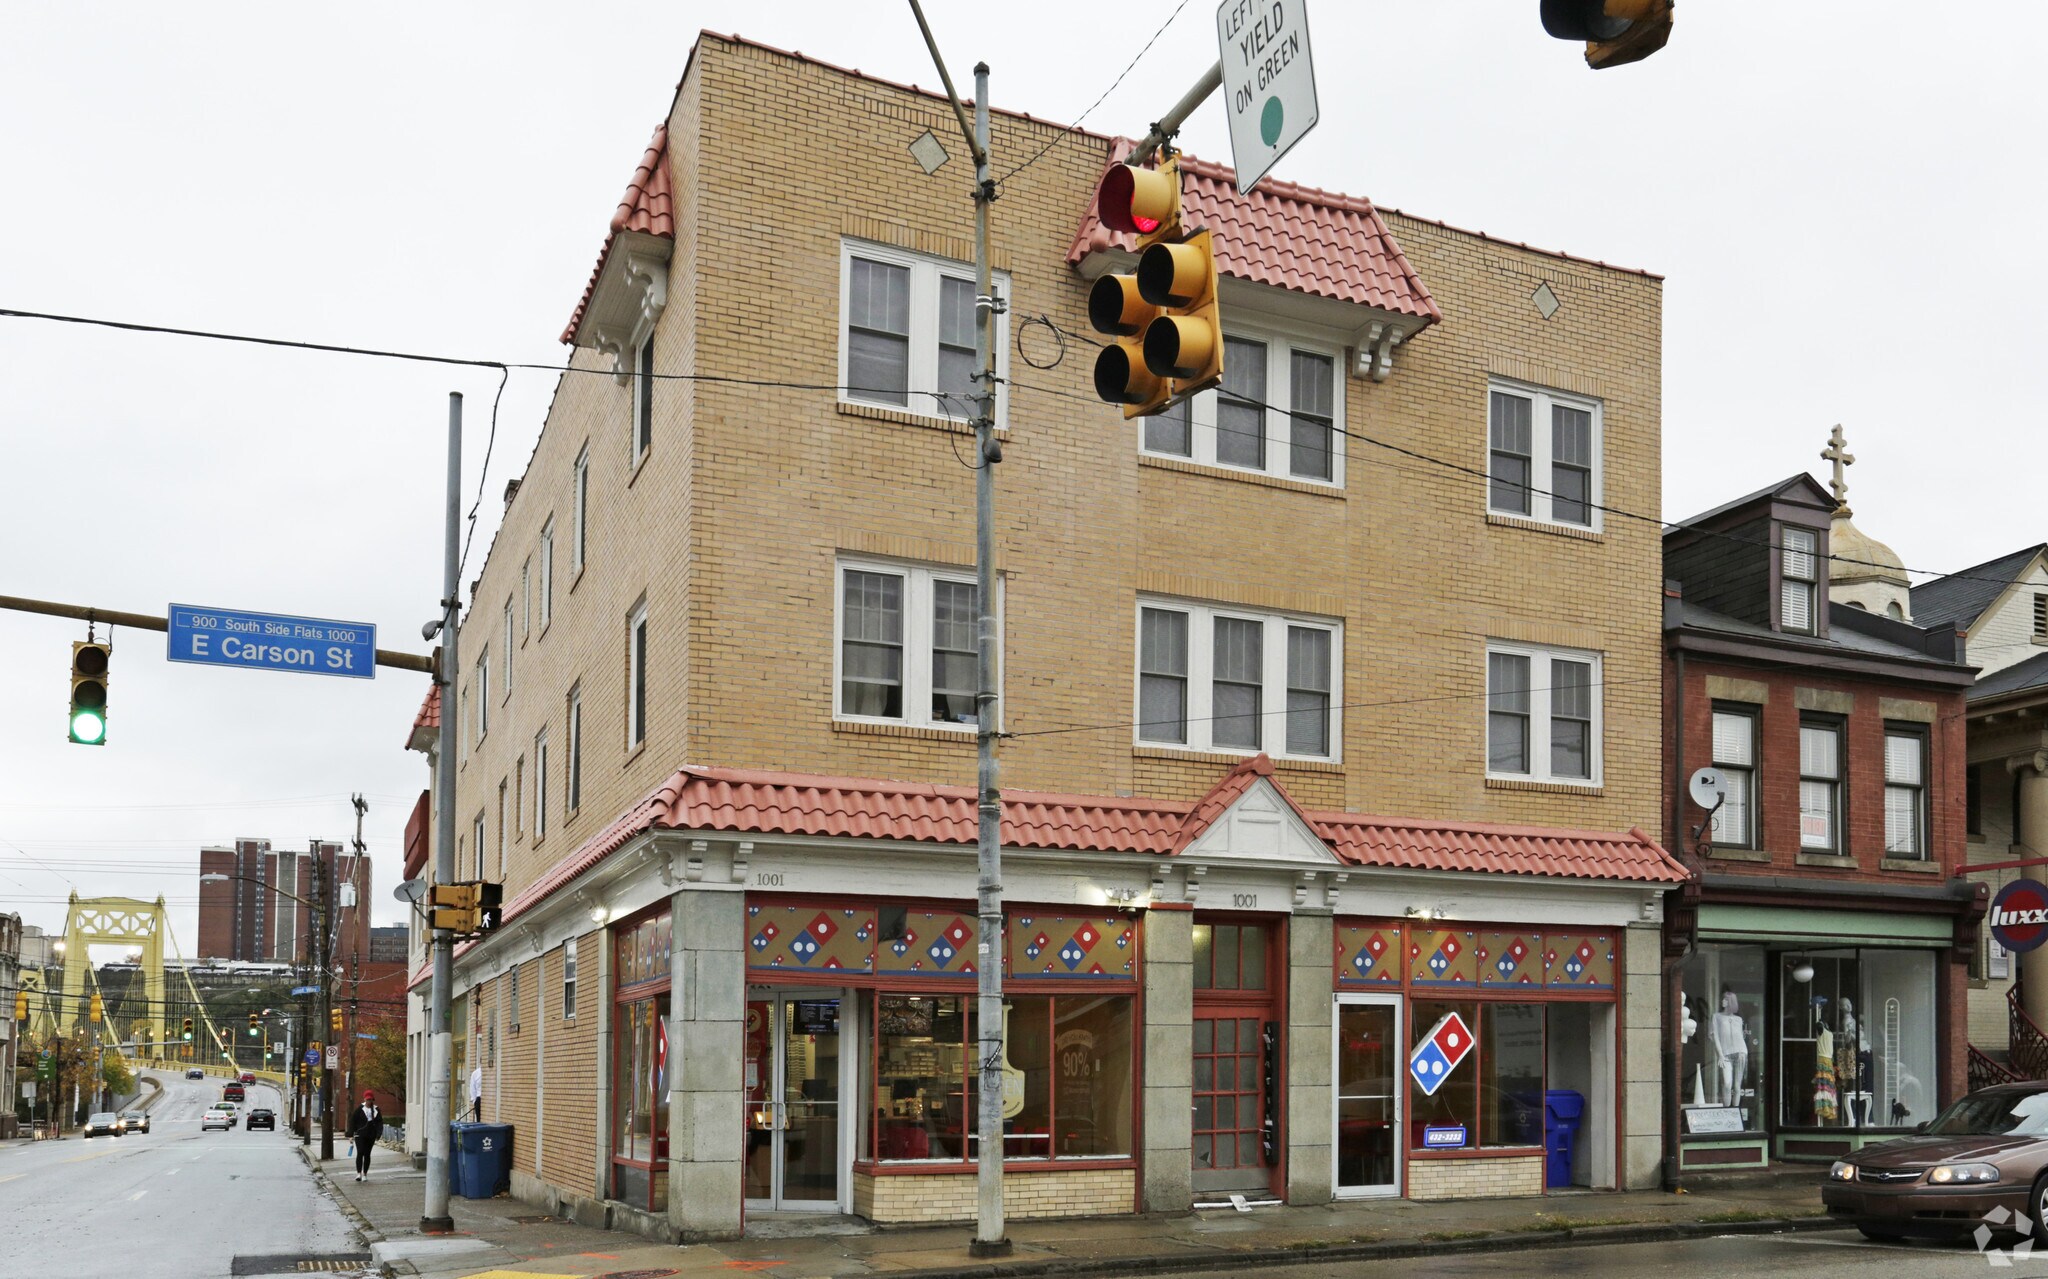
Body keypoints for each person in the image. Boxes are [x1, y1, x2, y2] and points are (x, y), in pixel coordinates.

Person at [346, 1091, 383, 1182]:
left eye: (370, 1099)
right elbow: (353, 1122)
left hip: (371, 1135)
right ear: (364, 1099)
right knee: (360, 1152)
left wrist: (378, 1134)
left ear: (372, 1099)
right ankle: (359, 1173)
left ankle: (365, 1173)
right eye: (367, 1099)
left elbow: (379, 1123)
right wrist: (351, 1135)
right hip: (360, 1134)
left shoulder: (376, 1110)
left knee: (367, 1154)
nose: (369, 1101)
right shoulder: (359, 1109)